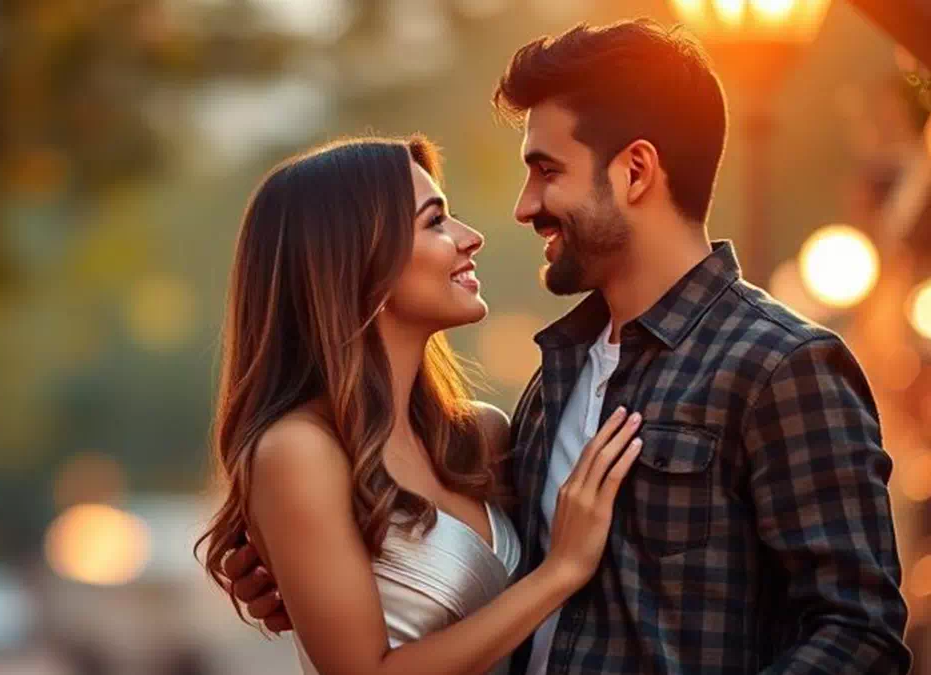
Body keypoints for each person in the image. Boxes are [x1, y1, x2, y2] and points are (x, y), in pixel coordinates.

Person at [224, 19, 911, 674]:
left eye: (546, 170)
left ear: (635, 172)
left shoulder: (780, 366)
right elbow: (438, 574)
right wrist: (304, 575)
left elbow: (859, 632)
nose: (522, 207)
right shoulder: (549, 386)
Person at [196, 135, 642, 675]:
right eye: (435, 222)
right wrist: (562, 571)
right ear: (358, 260)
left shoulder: (481, 438)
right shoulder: (299, 450)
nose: (471, 237)